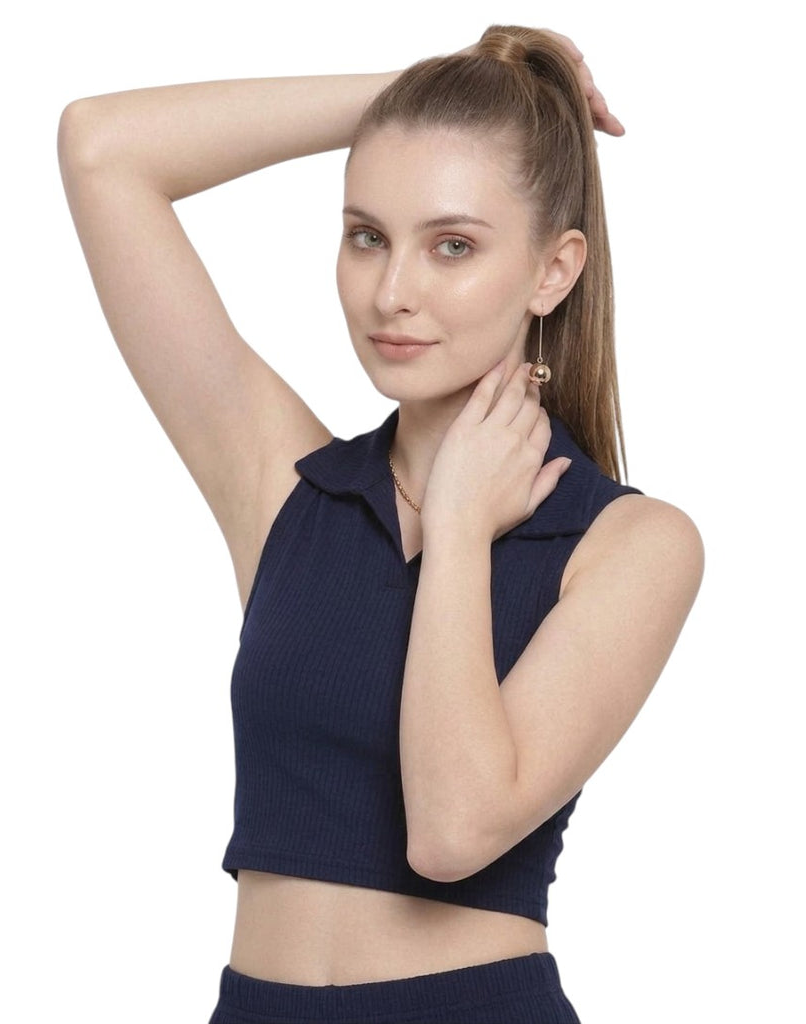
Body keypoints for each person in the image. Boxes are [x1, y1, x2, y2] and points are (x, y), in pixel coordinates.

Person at [57, 24, 703, 1024]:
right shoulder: (289, 488)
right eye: (367, 236)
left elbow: (452, 832)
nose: (392, 293)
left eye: (453, 245)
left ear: (553, 269)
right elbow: (103, 148)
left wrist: (458, 529)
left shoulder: (630, 546)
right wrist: (437, 91)